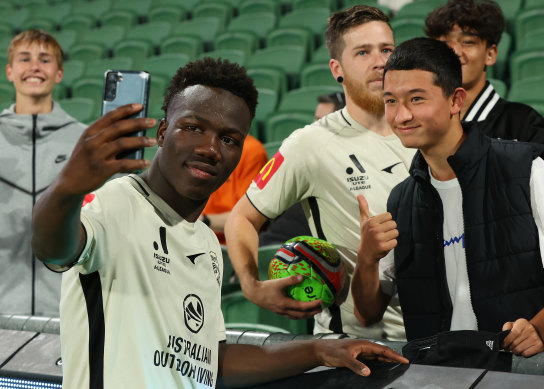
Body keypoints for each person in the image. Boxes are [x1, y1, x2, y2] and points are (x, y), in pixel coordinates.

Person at [30, 58, 408, 388]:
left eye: (228, 139)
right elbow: (53, 247)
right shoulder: (118, 203)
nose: (210, 149)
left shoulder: (209, 244)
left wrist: (319, 349)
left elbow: (210, 361)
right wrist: (65, 190)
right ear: (162, 133)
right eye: (193, 127)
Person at [352, 37, 544, 358]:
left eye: (416, 99)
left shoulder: (524, 167)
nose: (401, 116)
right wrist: (366, 258)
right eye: (390, 101)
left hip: (524, 372)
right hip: (441, 374)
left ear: (455, 101)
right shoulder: (401, 199)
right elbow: (367, 314)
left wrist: (540, 329)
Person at [225, 5, 416, 340]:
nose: (380, 61)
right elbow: (241, 218)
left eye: (387, 49)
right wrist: (252, 287)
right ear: (336, 69)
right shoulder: (310, 144)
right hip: (356, 343)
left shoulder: (425, 130)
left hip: (440, 336)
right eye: (363, 52)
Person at [0, 29, 86, 316]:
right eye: (25, 59)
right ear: (10, 71)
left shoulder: (85, 141)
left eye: (45, 60)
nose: (35, 66)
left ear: (59, 74)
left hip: (65, 315)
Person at [424, 0, 544, 172]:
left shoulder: (524, 123)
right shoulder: (425, 121)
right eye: (444, 44)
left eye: (467, 42)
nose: (454, 51)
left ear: (490, 54)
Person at [258, 92, 347, 246]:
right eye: (315, 119)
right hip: (278, 244)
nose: (313, 127)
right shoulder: (299, 157)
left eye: (322, 121)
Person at [200, 134, 267, 244]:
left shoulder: (252, 150)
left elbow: (248, 217)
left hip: (230, 245)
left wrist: (203, 221)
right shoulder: (195, 145)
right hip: (196, 238)